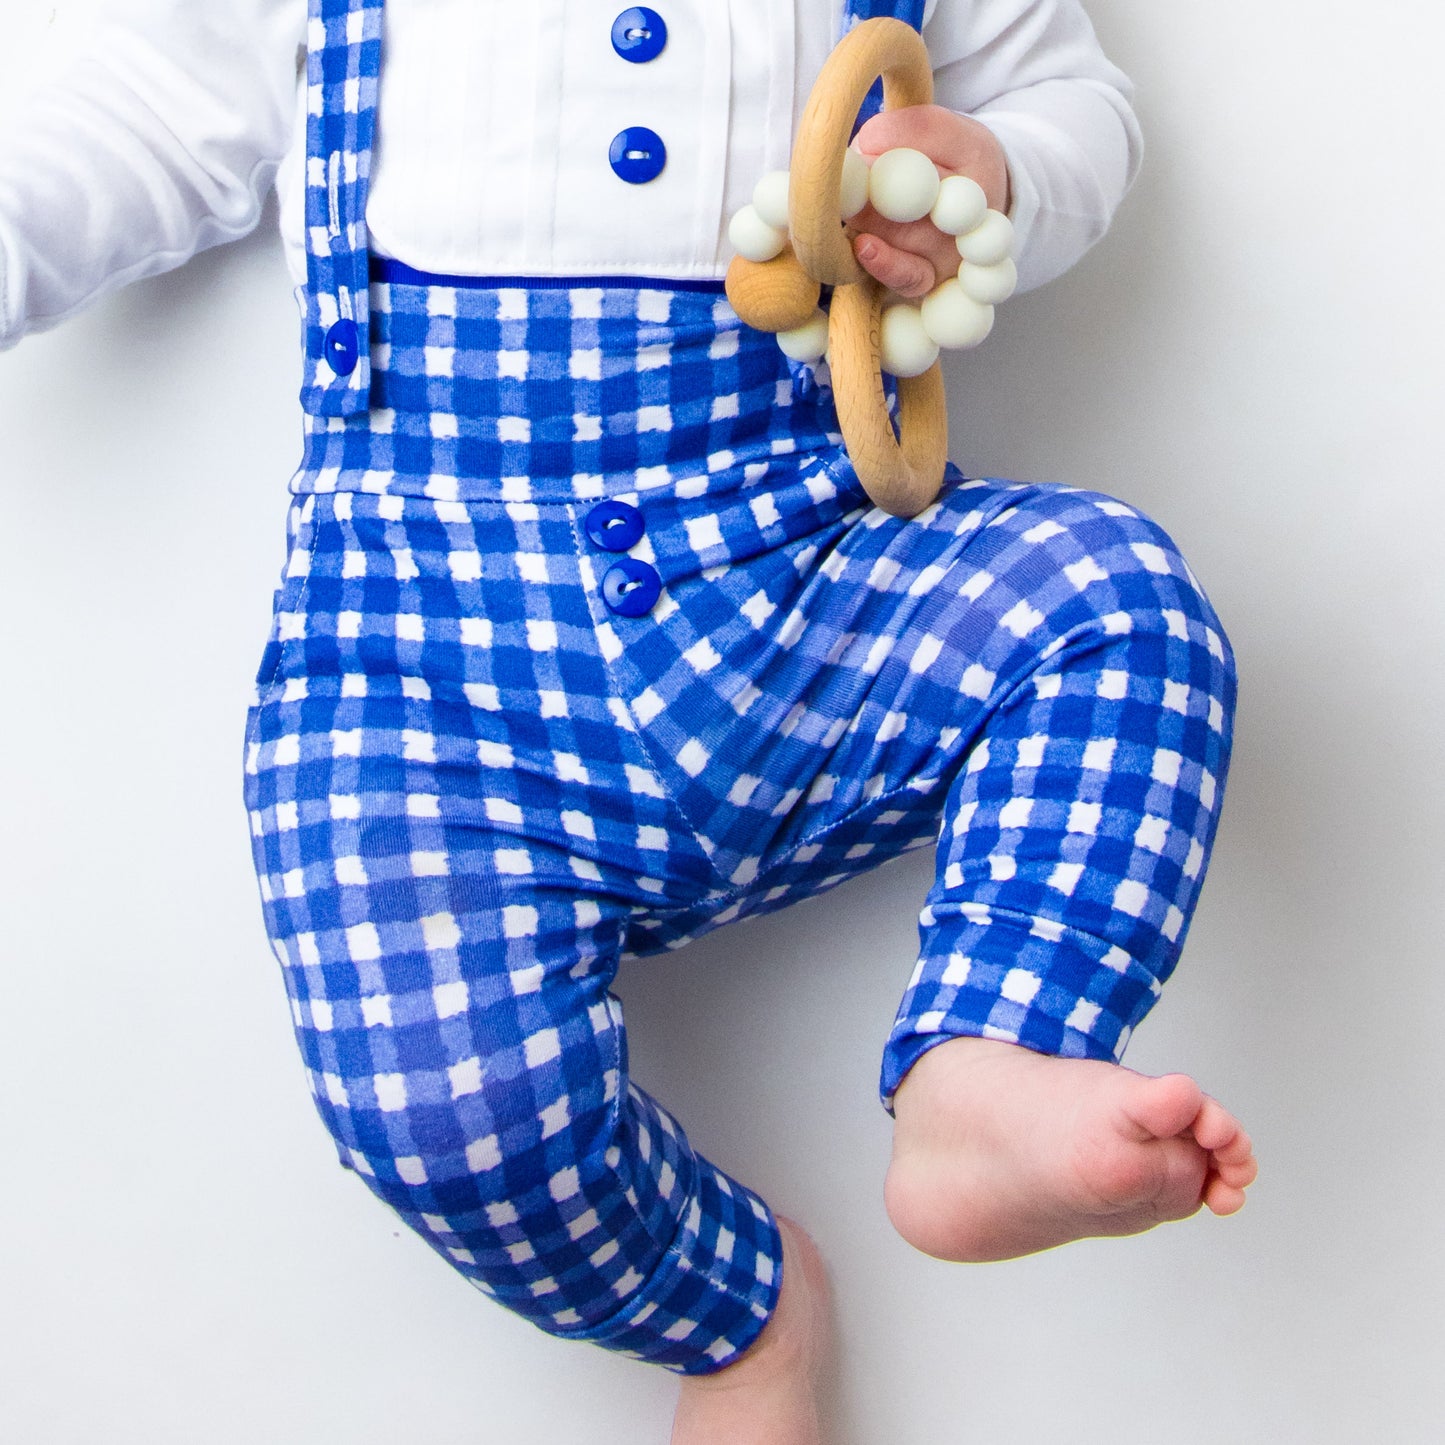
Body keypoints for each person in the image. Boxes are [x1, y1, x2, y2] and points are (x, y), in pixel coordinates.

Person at [0, 0, 1258, 1438]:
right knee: (442, 1115)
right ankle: (731, 1306)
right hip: (432, 651)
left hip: (798, 574)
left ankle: (990, 1051)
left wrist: (988, 175)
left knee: (1116, 606)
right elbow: (146, 114)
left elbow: (1072, 106)